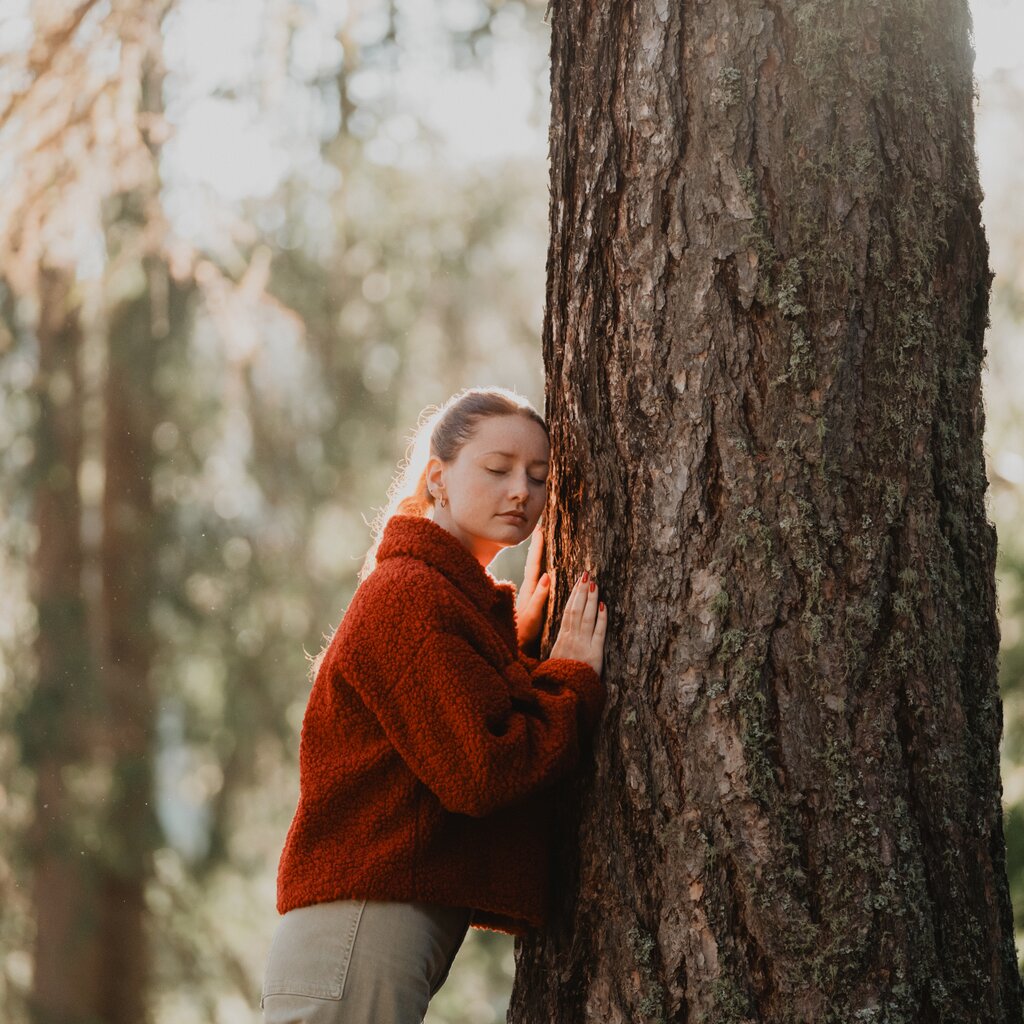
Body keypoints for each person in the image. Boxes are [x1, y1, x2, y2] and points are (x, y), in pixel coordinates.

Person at [260, 385, 609, 1024]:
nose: (521, 491)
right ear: (438, 477)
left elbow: (447, 725)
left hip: (362, 930)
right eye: (498, 469)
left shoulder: (443, 597)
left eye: (538, 477)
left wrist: (513, 658)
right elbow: (481, 769)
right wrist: (568, 683)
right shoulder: (409, 595)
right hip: (357, 928)